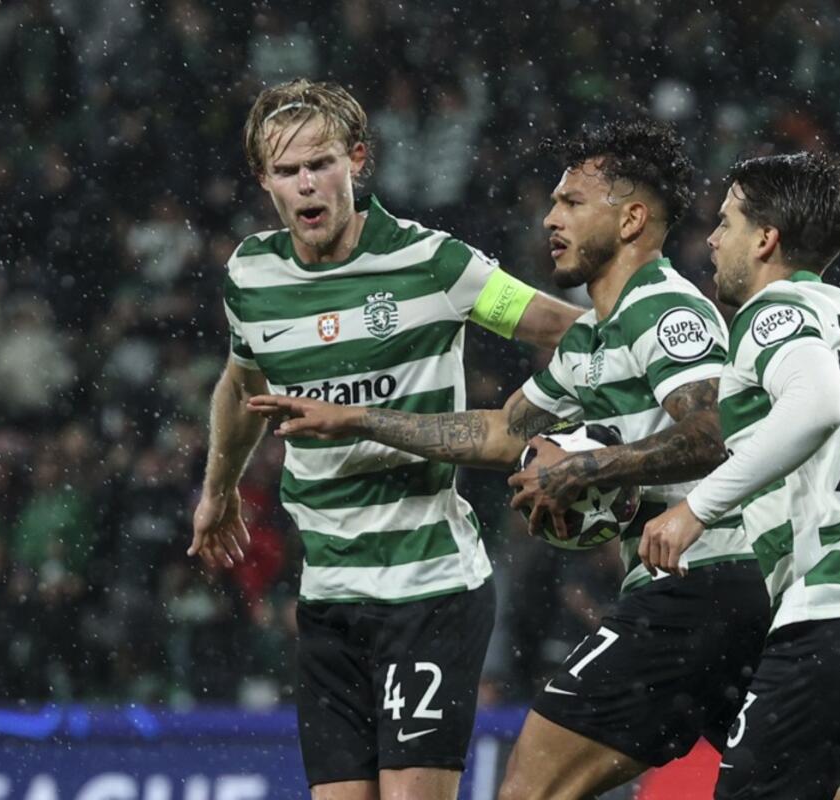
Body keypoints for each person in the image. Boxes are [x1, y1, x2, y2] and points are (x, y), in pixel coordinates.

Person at [248, 119, 770, 800]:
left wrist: (587, 468)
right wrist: (359, 419)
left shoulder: (662, 308)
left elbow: (715, 429)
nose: (551, 218)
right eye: (553, 202)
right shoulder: (589, 340)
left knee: (530, 788)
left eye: (572, 203)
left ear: (632, 219)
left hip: (705, 581)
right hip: (717, 590)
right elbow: (501, 432)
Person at [188, 78, 582, 800]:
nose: (307, 184)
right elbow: (242, 385)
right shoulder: (251, 274)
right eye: (287, 170)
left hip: (428, 588)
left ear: (357, 160)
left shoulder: (434, 263)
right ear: (264, 180)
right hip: (329, 595)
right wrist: (219, 490)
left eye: (321, 163)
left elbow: (568, 331)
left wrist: (575, 428)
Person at [641, 152, 840, 799]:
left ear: (766, 239)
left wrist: (695, 509)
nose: (712, 238)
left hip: (832, 627)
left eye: (727, 221)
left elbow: (817, 407)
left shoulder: (774, 310)